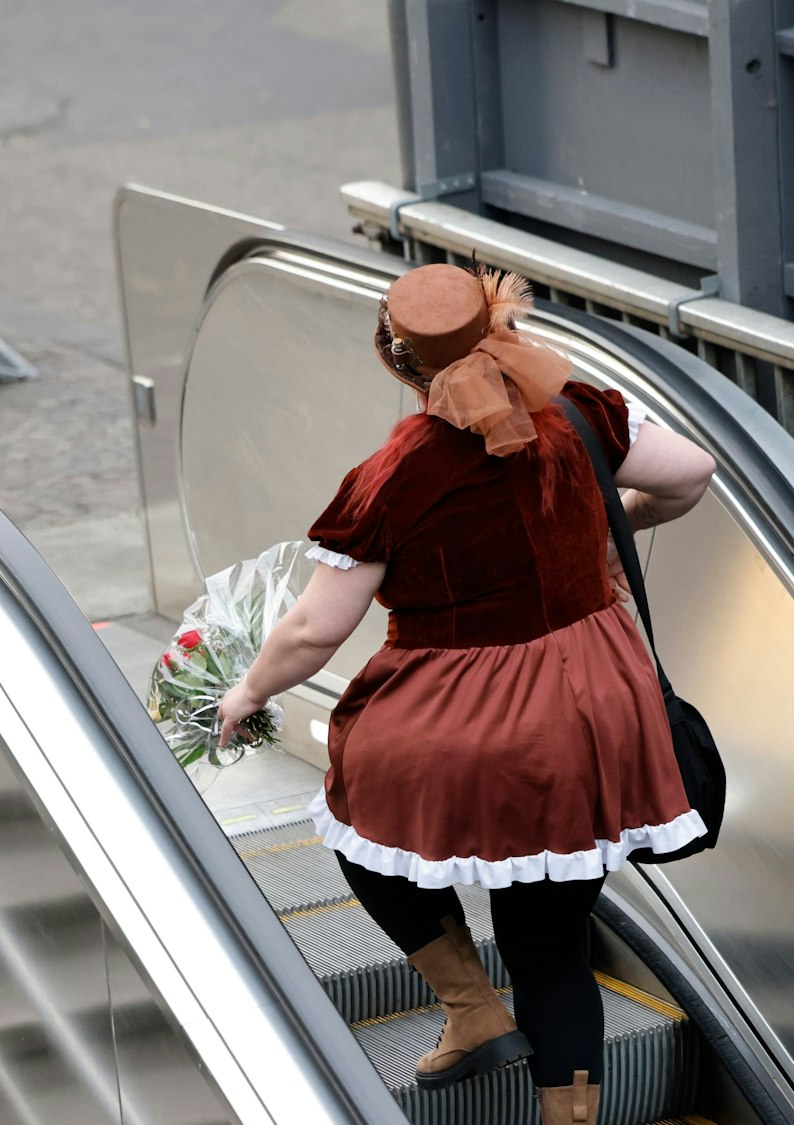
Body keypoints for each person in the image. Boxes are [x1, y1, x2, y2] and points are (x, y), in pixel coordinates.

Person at [215, 262, 716, 1123]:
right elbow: (691, 473)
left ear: (400, 362)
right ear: (499, 327)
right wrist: (606, 527)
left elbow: (313, 631)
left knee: (358, 817)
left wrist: (244, 692)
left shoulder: (395, 472)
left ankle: (472, 1006)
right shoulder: (583, 411)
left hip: (461, 716)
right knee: (552, 940)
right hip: (592, 707)